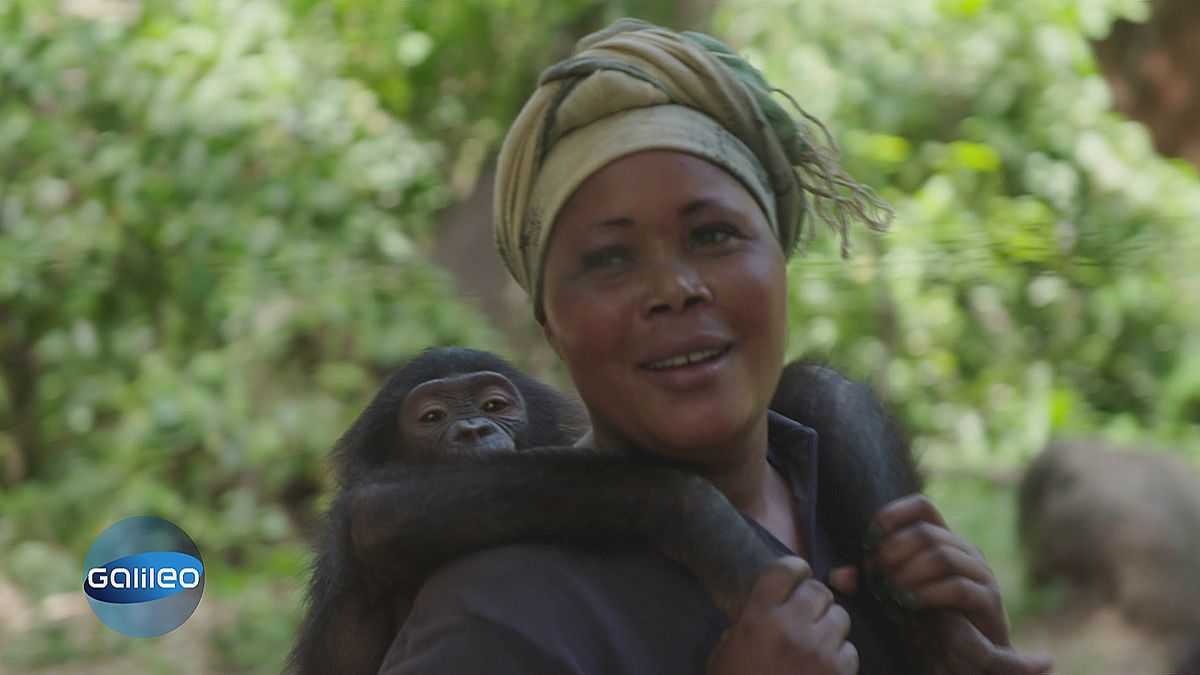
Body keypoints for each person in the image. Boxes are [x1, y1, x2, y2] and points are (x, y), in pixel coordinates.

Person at [380, 19, 1050, 674]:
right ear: (551, 323)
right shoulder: (497, 616)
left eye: (712, 236)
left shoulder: (865, 524)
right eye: (610, 258)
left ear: (780, 263)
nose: (673, 289)